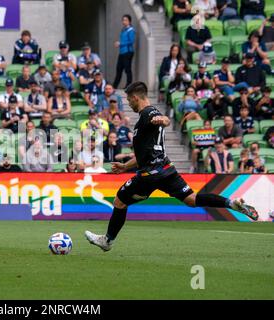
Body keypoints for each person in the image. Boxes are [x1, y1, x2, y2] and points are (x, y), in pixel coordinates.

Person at [84, 82, 259, 252]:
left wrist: (164, 120)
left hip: (150, 174)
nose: (129, 103)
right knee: (191, 199)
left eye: (129, 100)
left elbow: (163, 120)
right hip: (166, 169)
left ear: (136, 97)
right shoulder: (147, 118)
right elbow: (144, 154)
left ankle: (107, 240)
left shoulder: (148, 113)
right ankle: (231, 203)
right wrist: (124, 167)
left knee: (120, 201)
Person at [112, 14, 135, 89]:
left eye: (125, 20)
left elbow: (131, 41)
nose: (124, 22)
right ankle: (114, 86)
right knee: (118, 69)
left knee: (127, 69)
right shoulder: (123, 29)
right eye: (123, 20)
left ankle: (129, 85)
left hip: (128, 52)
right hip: (122, 52)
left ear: (129, 21)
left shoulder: (131, 30)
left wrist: (120, 44)